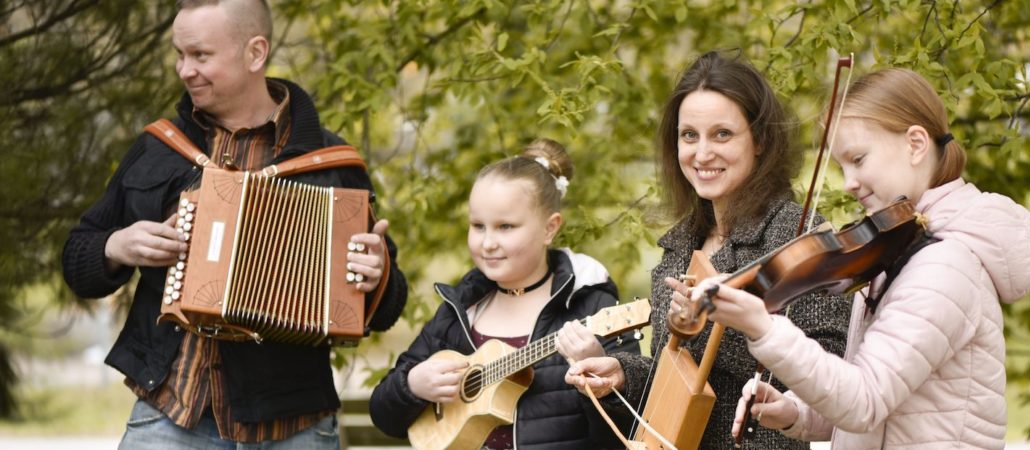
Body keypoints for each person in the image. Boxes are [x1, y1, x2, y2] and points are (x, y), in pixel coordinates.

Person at [60, 1, 408, 448]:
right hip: (170, 415)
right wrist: (115, 247)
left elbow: (387, 307)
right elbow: (76, 259)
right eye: (179, 54)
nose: (185, 70)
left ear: (255, 53)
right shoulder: (161, 146)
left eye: (200, 56)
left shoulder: (330, 162)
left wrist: (378, 278)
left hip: (293, 425)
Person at [702, 68, 1030, 449]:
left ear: (916, 144)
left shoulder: (945, 266)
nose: (849, 181)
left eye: (859, 158)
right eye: (841, 166)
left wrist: (765, 330)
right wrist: (796, 412)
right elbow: (881, 403)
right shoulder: (899, 251)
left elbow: (864, 402)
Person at [563, 50, 851, 449]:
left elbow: (830, 374)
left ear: (761, 141)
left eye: (722, 134)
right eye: (689, 136)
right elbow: (678, 377)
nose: (701, 154)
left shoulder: (796, 236)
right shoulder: (679, 247)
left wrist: (721, 319)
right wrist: (623, 374)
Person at [369, 139, 641, 450]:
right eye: (478, 226)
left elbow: (630, 429)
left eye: (505, 227)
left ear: (550, 228)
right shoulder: (462, 310)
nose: (487, 243)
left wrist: (600, 378)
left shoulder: (590, 306)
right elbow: (384, 415)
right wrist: (412, 385)